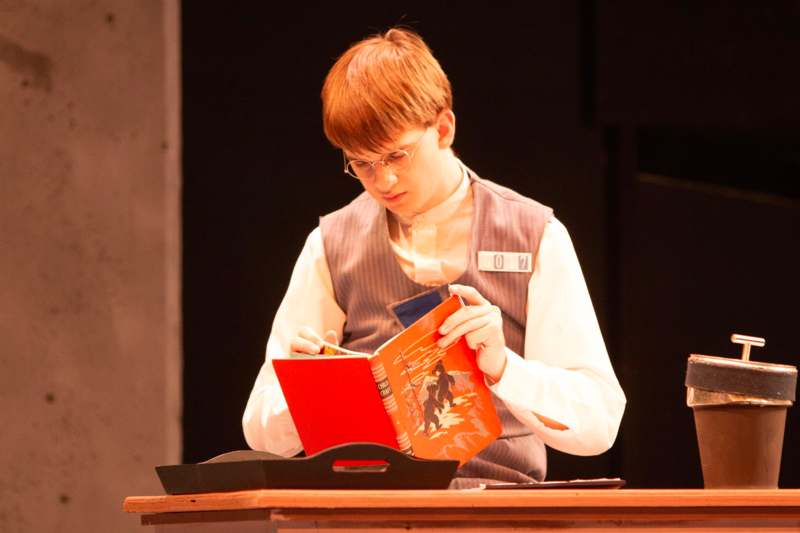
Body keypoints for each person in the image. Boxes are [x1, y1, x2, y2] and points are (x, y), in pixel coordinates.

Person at [242, 27, 625, 488]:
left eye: (396, 155)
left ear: (443, 127)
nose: (382, 181)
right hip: (365, 512)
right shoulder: (330, 243)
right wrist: (304, 393)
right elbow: (260, 430)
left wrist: (506, 369)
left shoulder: (534, 234)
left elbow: (600, 421)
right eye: (360, 164)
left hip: (498, 511)